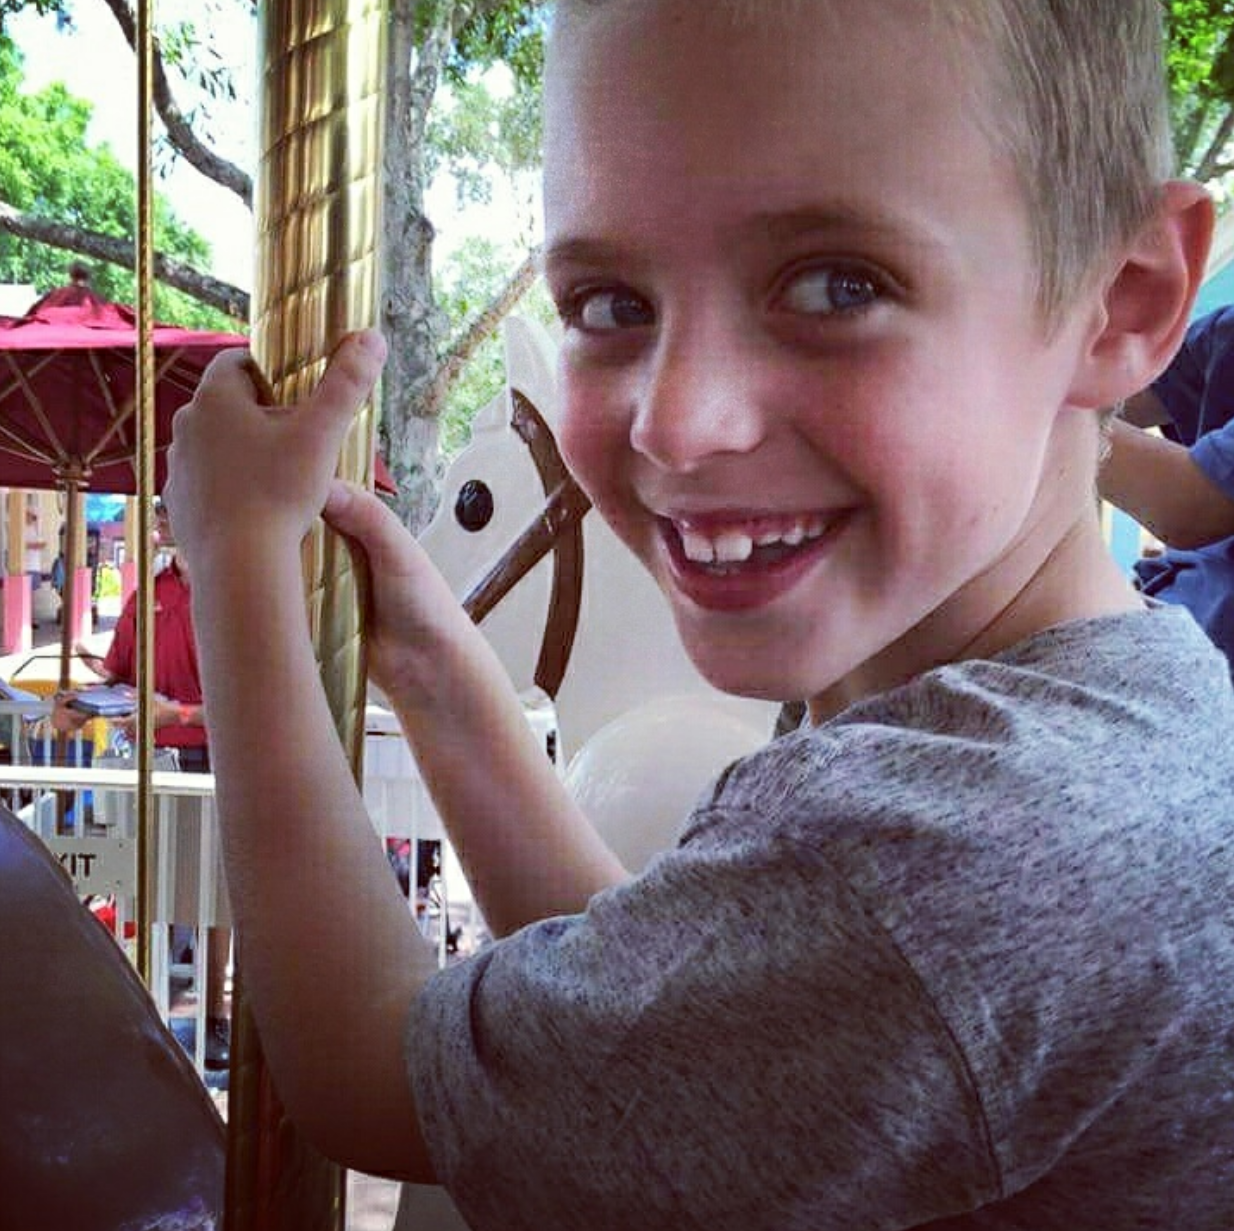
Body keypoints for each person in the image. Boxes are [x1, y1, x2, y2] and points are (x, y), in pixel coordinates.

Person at [165, 2, 1234, 1227]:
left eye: (837, 286)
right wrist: (430, 663)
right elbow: (648, 1050)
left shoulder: (944, 852)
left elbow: (367, 1075)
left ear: (1124, 302)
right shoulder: (1120, 697)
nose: (681, 421)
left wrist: (237, 561)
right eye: (611, 304)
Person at [53, 497, 231, 1071]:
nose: (157, 519)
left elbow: (247, 701)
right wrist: (79, 702)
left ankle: (214, 1016)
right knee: (146, 886)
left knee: (211, 892)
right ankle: (143, 1009)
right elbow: (118, 674)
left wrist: (176, 715)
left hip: (212, 759)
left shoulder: (233, 589)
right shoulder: (147, 594)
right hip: (150, 761)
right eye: (156, 511)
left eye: (168, 508)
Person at [1099, 302, 1234, 667]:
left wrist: (1036, 406)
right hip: (1164, 620)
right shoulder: (1225, 333)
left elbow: (1191, 507)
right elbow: (1122, 396)